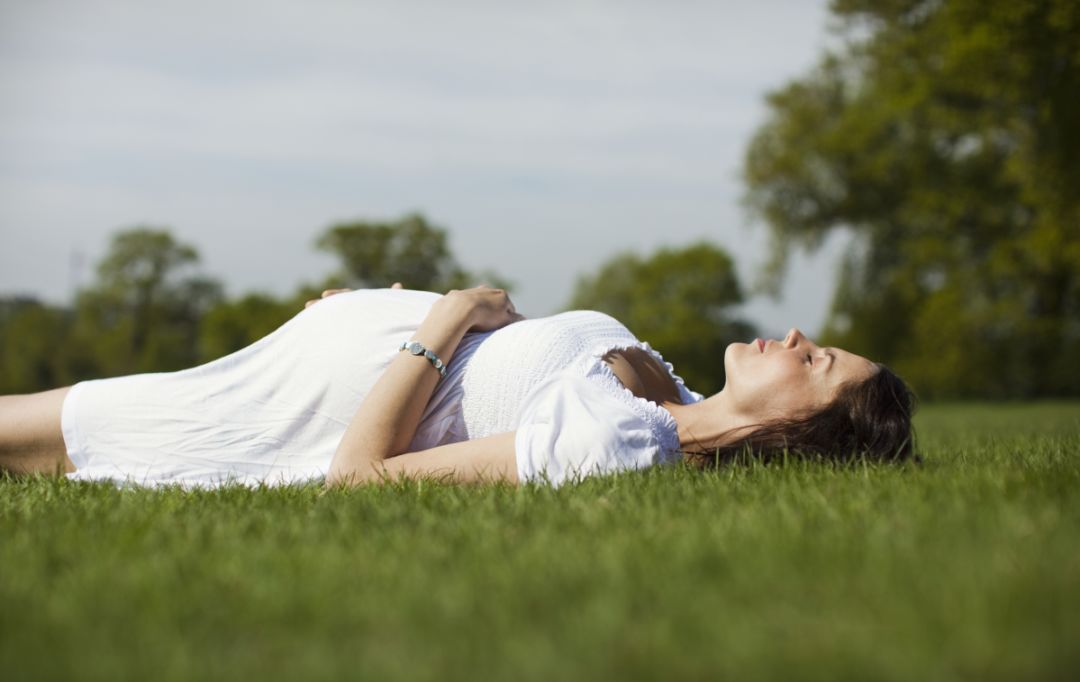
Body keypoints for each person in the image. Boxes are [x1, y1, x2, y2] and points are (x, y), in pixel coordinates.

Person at [0, 284, 916, 488]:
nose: (799, 339)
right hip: (290, 365)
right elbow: (498, 374)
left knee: (21, 432)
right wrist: (391, 307)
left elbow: (359, 477)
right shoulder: (659, 394)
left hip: (262, 420)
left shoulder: (614, 441)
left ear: (801, 425)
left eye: (821, 361)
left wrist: (439, 321)